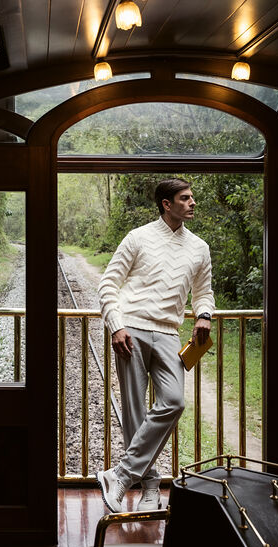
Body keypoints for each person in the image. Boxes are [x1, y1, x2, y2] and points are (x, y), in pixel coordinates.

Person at [95, 178, 214, 512]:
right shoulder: (138, 237)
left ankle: (120, 475)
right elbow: (108, 284)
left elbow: (203, 292)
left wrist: (204, 314)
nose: (192, 203)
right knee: (134, 411)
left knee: (174, 401)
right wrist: (116, 326)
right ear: (166, 203)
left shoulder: (199, 248)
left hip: (168, 333)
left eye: (192, 197)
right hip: (131, 329)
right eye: (185, 198)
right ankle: (150, 486)